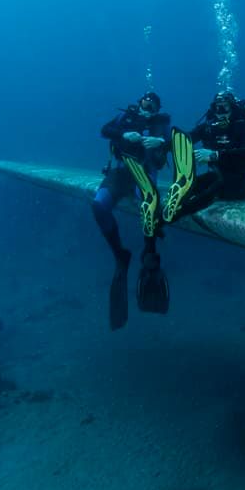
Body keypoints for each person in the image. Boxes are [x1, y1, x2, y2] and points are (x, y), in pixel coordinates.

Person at [123, 90, 245, 249]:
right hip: (217, 175)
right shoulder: (209, 127)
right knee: (192, 186)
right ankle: (161, 215)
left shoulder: (243, 126)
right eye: (217, 108)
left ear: (233, 108)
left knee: (213, 189)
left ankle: (165, 219)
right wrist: (162, 143)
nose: (220, 112)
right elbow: (186, 139)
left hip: (242, 183)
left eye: (224, 107)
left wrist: (215, 155)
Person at [92, 91, 170, 329]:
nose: (148, 108)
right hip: (120, 172)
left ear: (158, 109)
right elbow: (104, 130)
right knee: (99, 205)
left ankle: (150, 254)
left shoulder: (160, 124)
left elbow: (179, 144)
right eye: (145, 103)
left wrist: (161, 142)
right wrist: (124, 134)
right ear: (139, 103)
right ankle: (120, 254)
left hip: (145, 173)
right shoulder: (125, 118)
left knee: (148, 202)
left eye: (153, 106)